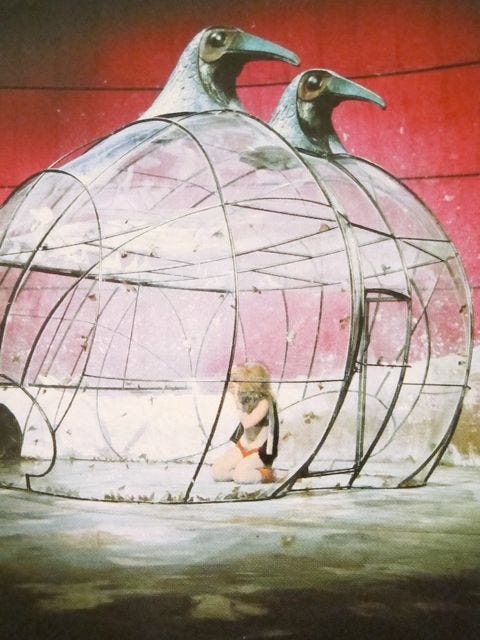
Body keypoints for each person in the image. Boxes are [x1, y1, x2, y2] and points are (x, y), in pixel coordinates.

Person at [212, 362, 279, 484]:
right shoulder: (246, 399)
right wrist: (235, 395)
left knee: (241, 476)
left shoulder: (265, 402)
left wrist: (236, 397)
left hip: (260, 452)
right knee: (218, 472)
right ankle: (242, 471)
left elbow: (247, 423)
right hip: (242, 447)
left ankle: (266, 474)